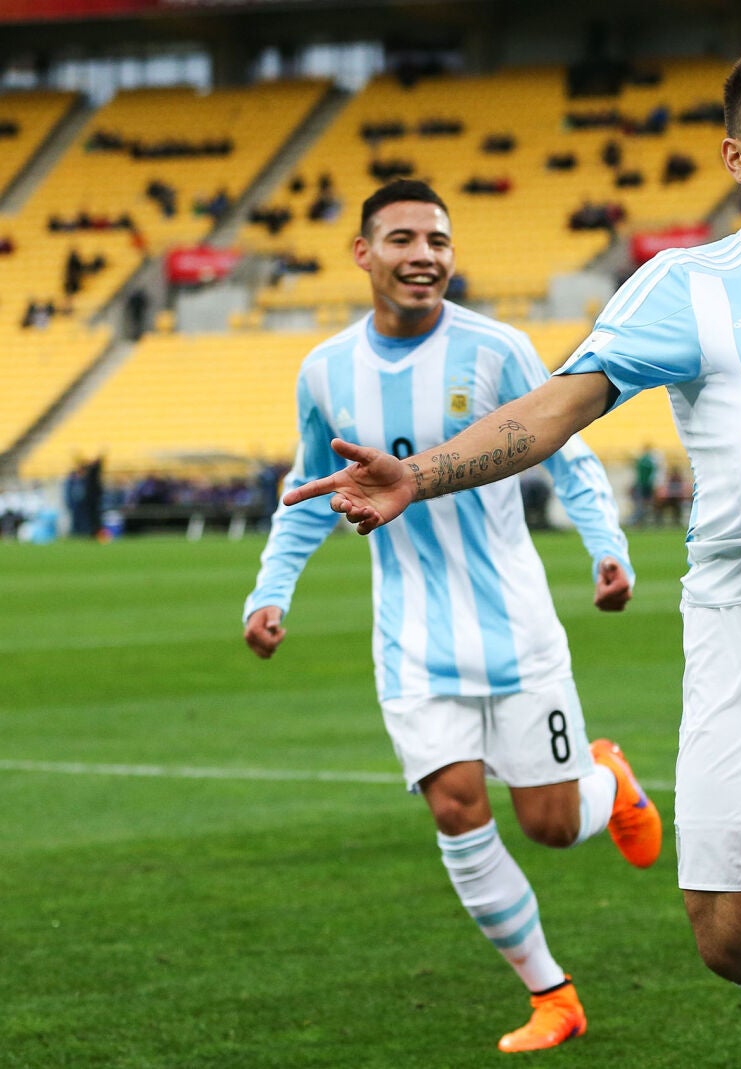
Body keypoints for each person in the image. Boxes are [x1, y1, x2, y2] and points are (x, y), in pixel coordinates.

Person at [283, 41, 741, 1069]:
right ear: (737, 154)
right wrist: (425, 472)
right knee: (732, 938)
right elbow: (556, 410)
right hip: (731, 622)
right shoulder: (682, 286)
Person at [242, 180, 664, 1055]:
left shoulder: (498, 349)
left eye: (437, 238)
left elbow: (571, 457)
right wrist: (270, 590)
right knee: (457, 807)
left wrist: (605, 547)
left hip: (517, 630)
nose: (423, 253)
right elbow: (309, 493)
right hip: (412, 641)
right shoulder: (325, 371)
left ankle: (611, 781)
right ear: (364, 253)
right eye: (402, 238)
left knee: (550, 825)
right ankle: (554, 994)